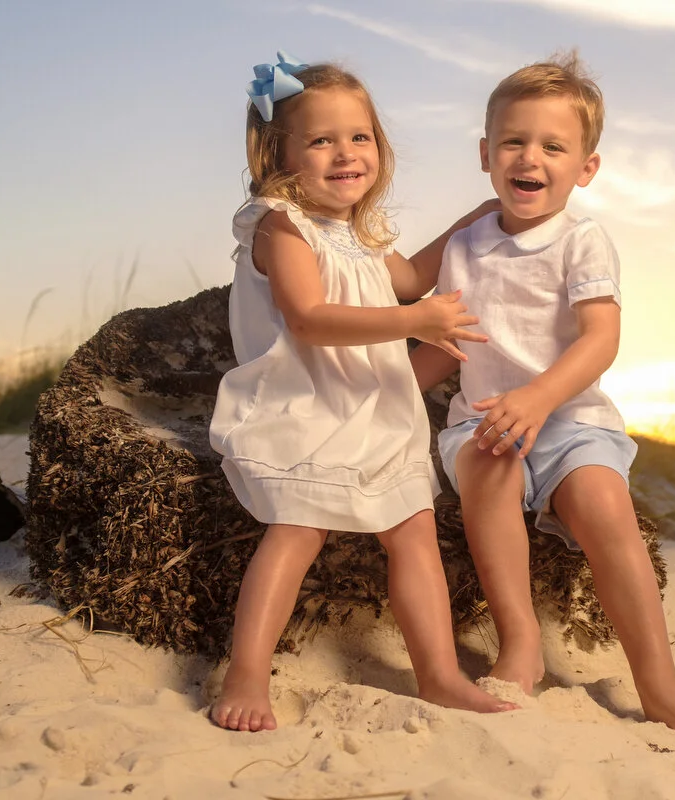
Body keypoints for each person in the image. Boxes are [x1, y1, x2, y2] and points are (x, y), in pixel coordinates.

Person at [410, 53, 675, 748]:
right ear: (485, 154)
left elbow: (599, 340)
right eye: (513, 142)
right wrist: (393, 389)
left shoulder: (581, 241)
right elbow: (453, 344)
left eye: (553, 146)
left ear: (586, 167)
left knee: (603, 502)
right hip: (483, 421)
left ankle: (657, 681)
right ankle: (520, 638)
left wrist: (538, 398)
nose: (530, 158)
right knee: (491, 467)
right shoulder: (466, 245)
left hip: (570, 421)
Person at [208, 51, 513, 732]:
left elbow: (406, 282)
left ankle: (436, 673)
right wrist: (414, 324)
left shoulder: (359, 235)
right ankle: (246, 673)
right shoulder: (280, 225)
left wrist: (475, 222)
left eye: (359, 137)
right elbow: (309, 320)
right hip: (306, 404)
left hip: (372, 406)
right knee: (297, 531)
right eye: (321, 140)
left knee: (414, 533)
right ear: (279, 152)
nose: (345, 153)